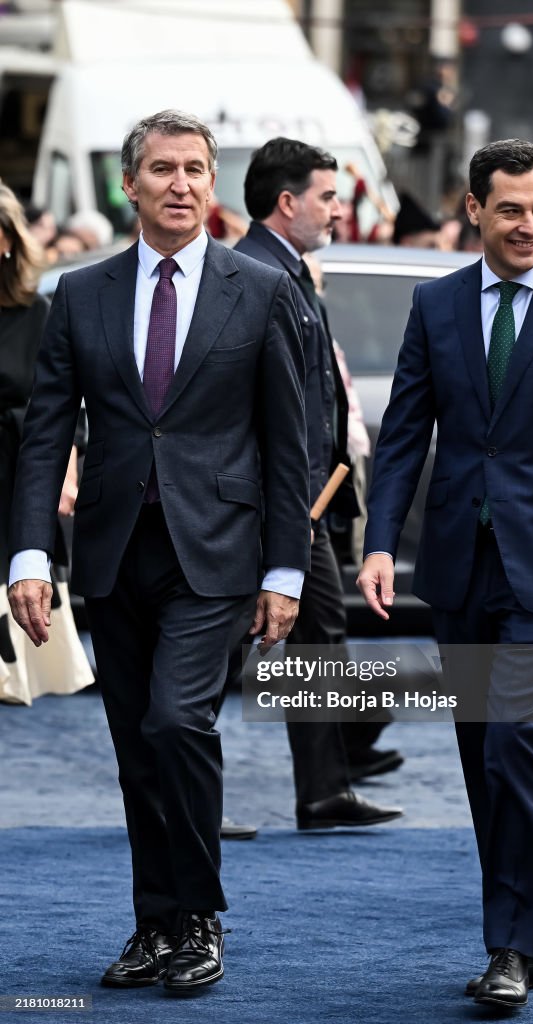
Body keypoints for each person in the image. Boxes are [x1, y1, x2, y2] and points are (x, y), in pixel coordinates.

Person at [7, 110, 311, 995]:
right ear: (131, 186)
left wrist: (286, 569)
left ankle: (201, 915)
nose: (180, 183)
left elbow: (288, 441)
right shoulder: (81, 294)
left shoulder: (256, 289)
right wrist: (31, 557)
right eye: (162, 169)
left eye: (195, 169)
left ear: (212, 187)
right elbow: (44, 437)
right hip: (110, 552)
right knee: (135, 745)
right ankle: (155, 924)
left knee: (179, 722)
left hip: (216, 551)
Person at [357, 139, 533, 1009]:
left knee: (517, 742)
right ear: (475, 210)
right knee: (485, 751)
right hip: (458, 566)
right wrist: (378, 543)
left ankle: (511, 949)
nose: (529, 225)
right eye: (512, 209)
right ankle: (528, 941)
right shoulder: (436, 303)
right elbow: (406, 433)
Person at [235, 137, 403, 828]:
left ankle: (325, 789)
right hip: (276, 504)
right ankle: (182, 799)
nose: (338, 210)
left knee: (319, 636)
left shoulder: (292, 271)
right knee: (219, 647)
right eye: (328, 197)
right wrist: (288, 507)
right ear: (287, 201)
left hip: (305, 501)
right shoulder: (253, 273)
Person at [0, 183, 93, 705]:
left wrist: (67, 471)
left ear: (9, 240)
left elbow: (60, 405)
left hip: (12, 477)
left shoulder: (36, 313)